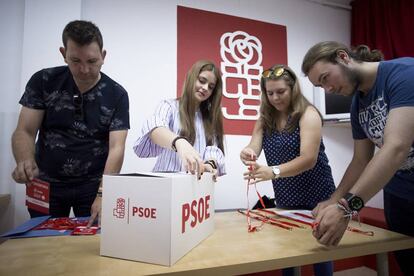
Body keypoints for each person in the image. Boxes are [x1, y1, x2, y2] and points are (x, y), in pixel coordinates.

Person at [302, 41, 414, 275]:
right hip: (399, 196)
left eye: (325, 78)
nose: (328, 89)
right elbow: (360, 160)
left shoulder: (405, 74)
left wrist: (346, 208)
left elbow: (396, 147)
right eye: (320, 86)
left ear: (343, 57)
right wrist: (334, 199)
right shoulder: (357, 103)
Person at [11, 20, 130, 227]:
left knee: (90, 244)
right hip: (44, 182)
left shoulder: (116, 94)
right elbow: (25, 131)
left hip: (93, 186)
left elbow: (116, 147)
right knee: (42, 242)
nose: (84, 69)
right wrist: (24, 160)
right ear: (63, 53)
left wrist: (104, 194)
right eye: (75, 60)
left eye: (92, 61)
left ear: (103, 56)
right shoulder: (44, 81)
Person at [240, 64, 335, 276]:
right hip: (286, 194)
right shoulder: (265, 117)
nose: (275, 98)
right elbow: (254, 145)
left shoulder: (308, 114)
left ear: (293, 89)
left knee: (320, 251)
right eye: (270, 93)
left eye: (281, 92)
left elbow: (308, 159)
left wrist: (272, 171)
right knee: (288, 249)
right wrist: (247, 152)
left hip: (318, 194)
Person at [133, 60, 225, 180]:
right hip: (164, 184)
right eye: (202, 81)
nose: (205, 88)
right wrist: (180, 143)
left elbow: (213, 150)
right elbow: (155, 129)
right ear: (191, 78)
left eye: (211, 87)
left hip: (195, 188)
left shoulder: (209, 119)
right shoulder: (169, 106)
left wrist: (209, 165)